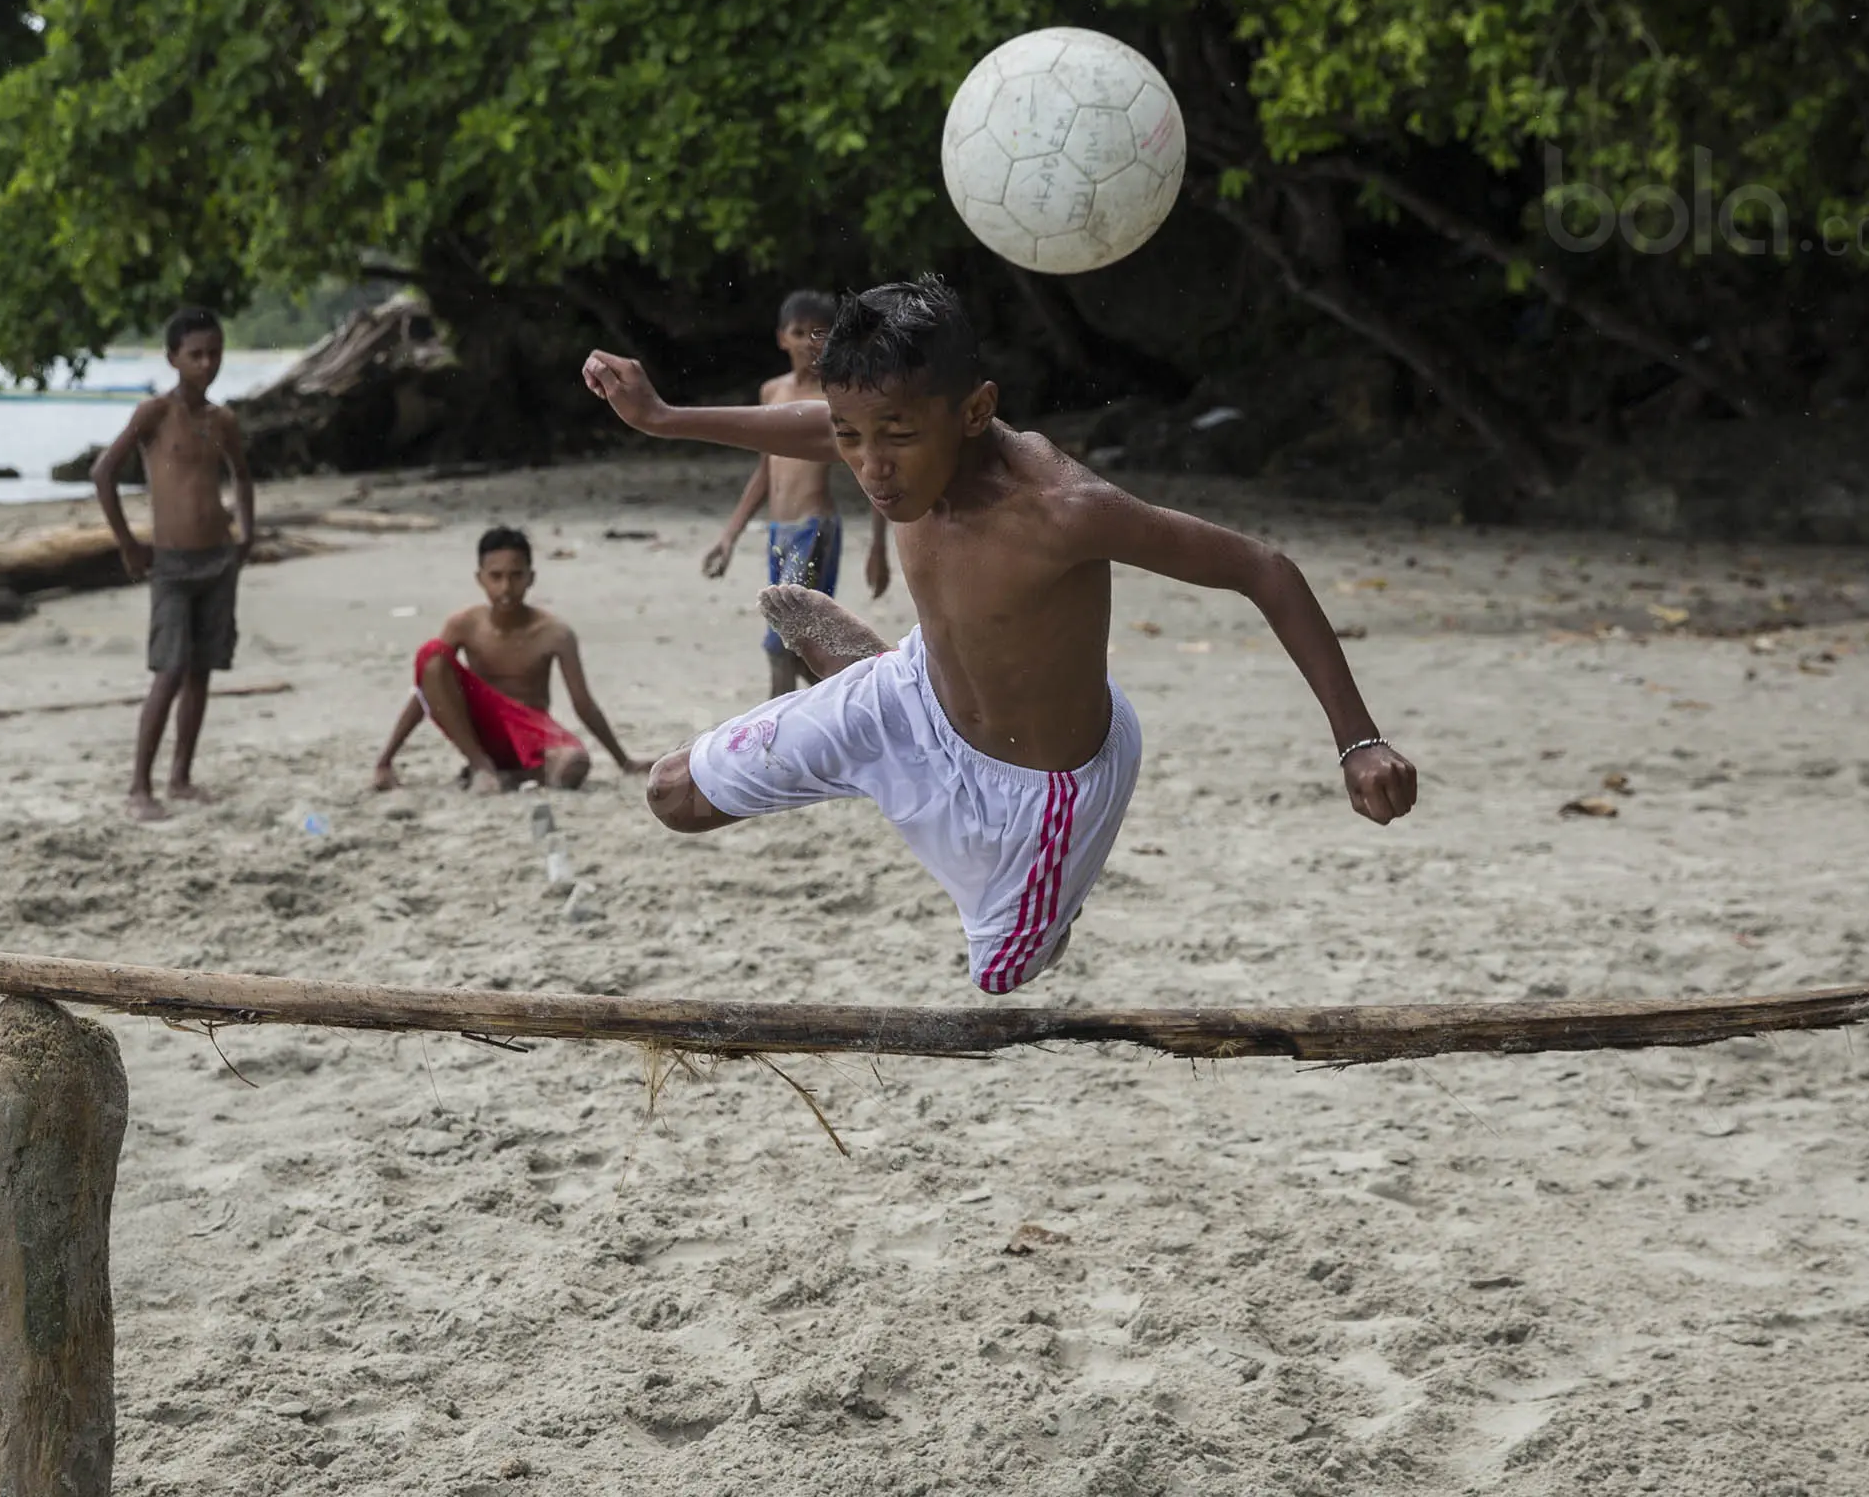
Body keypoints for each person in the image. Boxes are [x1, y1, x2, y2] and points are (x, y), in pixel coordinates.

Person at [580, 275, 1417, 994]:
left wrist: (1359, 742)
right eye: (850, 439)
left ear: (977, 411)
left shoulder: (1059, 511)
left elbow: (1262, 567)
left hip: (1036, 787)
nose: (871, 468)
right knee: (672, 797)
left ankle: (875, 720)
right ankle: (871, 687)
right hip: (918, 695)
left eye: (898, 438)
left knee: (1007, 973)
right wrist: (662, 417)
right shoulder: (880, 445)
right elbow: (817, 426)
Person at [93, 306, 255, 822]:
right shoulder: (155, 415)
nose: (207, 364)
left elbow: (242, 477)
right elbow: (103, 473)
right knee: (169, 669)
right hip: (171, 562)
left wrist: (247, 532)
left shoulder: (222, 420)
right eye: (195, 355)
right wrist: (127, 543)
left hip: (217, 559)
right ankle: (139, 786)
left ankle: (181, 777)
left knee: (202, 670)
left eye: (215, 354)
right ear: (173, 359)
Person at [701, 290, 890, 696]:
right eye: (798, 332)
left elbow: (873, 467)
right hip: (777, 533)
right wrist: (730, 535)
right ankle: (856, 699)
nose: (808, 342)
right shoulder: (772, 392)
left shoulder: (837, 396)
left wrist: (879, 547)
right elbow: (766, 469)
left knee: (780, 642)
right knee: (803, 644)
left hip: (813, 529)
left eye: (819, 333)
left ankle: (773, 741)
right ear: (781, 338)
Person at [372, 526, 647, 794]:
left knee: (573, 765)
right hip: (479, 729)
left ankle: (510, 775)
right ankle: (481, 766)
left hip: (532, 728)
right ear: (480, 578)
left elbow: (583, 704)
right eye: (496, 576)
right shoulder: (464, 625)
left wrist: (624, 761)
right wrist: (385, 761)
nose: (506, 587)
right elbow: (427, 686)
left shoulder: (555, 633)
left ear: (531, 578)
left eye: (516, 576)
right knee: (432, 653)